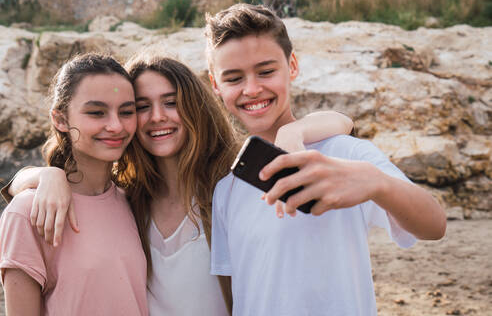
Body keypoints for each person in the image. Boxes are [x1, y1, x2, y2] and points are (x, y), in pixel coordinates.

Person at [1, 51, 354, 315]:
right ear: (61, 119)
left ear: (194, 107)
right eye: (140, 107)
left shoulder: (230, 185)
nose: (155, 117)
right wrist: (46, 174)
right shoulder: (127, 200)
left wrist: (294, 131)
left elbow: (341, 121)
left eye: (171, 103)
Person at [205, 3, 447, 315]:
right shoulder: (227, 189)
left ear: (292, 66)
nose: (252, 89)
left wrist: (377, 184)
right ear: (215, 84)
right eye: (234, 78)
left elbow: (434, 225)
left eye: (266, 71)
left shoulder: (343, 152)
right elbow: (236, 293)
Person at [0, 53, 148, 315]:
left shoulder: (133, 200)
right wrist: (45, 175)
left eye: (126, 112)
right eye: (96, 112)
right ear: (60, 120)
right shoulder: (27, 211)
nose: (116, 125)